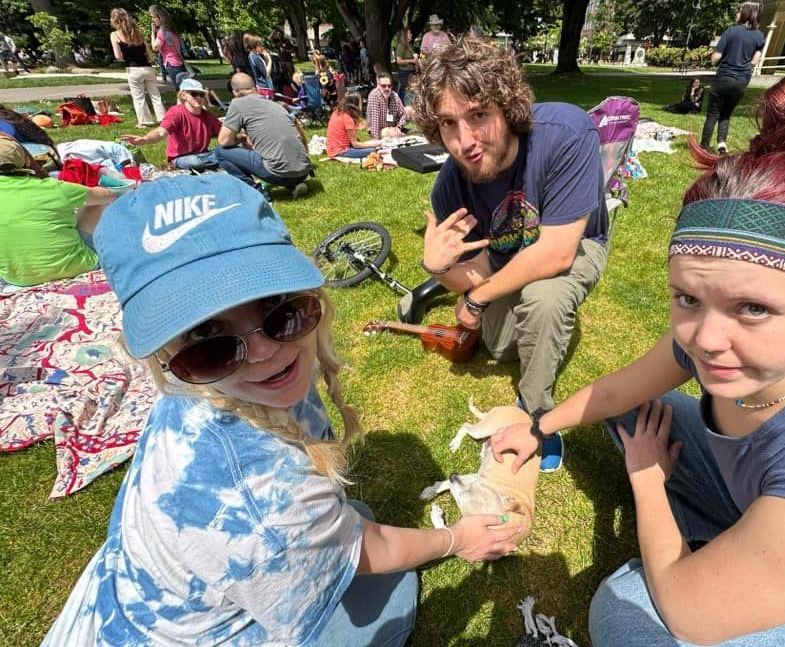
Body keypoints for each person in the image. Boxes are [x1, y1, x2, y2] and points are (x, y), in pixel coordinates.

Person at [488, 73, 785, 647]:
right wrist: (537, 426)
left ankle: (726, 554)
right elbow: (618, 391)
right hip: (769, 508)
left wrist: (648, 479)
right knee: (635, 412)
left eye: (753, 307)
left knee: (625, 613)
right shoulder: (723, 345)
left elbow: (687, 614)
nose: (706, 338)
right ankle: (740, 549)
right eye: (688, 297)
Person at [40, 173, 520, 645]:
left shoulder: (200, 386)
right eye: (207, 337)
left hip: (139, 602)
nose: (265, 352)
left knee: (354, 519)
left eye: (277, 306)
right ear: (164, 353)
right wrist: (457, 539)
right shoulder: (267, 503)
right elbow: (368, 546)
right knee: (389, 602)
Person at [414, 36, 609, 473]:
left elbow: (557, 252)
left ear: (508, 107)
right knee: (501, 349)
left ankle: (537, 416)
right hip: (507, 260)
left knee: (544, 300)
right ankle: (531, 335)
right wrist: (440, 266)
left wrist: (476, 300)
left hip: (576, 243)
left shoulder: (566, 134)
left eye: (478, 116)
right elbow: (478, 272)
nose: (465, 141)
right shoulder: (450, 187)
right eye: (448, 124)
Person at [0, 136, 114, 287]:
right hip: (77, 266)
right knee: (94, 203)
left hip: (19, 279)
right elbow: (107, 196)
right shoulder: (52, 187)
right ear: (24, 159)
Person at [215, 72, 312, 198]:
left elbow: (224, 141)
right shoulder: (275, 104)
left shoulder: (237, 104)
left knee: (220, 152)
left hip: (278, 173)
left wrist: (242, 137)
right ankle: (294, 185)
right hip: (303, 171)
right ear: (255, 87)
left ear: (235, 92)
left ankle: (257, 193)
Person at [700, 1, 765, 153]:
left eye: (739, 11)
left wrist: (714, 56)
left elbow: (716, 57)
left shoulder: (731, 31)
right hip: (742, 80)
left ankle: (704, 145)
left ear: (746, 13)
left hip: (724, 77)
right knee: (726, 114)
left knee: (713, 114)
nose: (737, 13)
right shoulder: (760, 36)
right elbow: (755, 62)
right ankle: (722, 145)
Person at [120, 78, 224, 172]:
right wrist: (145, 139)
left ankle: (211, 165)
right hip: (181, 157)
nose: (198, 97)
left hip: (204, 154)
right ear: (183, 95)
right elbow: (161, 132)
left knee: (230, 153)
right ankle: (212, 165)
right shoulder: (176, 112)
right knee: (195, 163)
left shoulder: (208, 116)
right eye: (194, 94)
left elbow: (224, 133)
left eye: (201, 95)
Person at [109, 8, 165, 128]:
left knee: (139, 97)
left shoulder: (115, 35)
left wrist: (126, 57)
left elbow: (118, 55)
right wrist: (149, 60)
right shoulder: (137, 32)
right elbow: (149, 53)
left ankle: (144, 121)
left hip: (133, 68)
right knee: (155, 95)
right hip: (147, 67)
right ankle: (163, 118)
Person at [326, 93, 381, 160]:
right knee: (374, 150)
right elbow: (355, 144)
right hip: (340, 151)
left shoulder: (336, 112)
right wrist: (376, 144)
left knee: (373, 146)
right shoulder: (348, 118)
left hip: (332, 149)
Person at [149, 5, 187, 89]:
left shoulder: (162, 31)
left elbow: (155, 47)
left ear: (160, 17)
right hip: (179, 62)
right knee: (184, 89)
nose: (152, 20)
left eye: (154, 17)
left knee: (181, 92)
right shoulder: (171, 29)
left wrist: (152, 33)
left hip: (172, 64)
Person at [366, 73, 408, 140]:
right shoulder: (374, 96)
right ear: (378, 86)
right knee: (390, 134)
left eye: (389, 86)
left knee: (410, 109)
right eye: (383, 86)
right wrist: (376, 141)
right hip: (379, 129)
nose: (387, 88)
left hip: (392, 127)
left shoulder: (394, 96)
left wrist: (399, 127)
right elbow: (374, 122)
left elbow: (403, 114)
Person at [244, 34, 274, 98]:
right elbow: (266, 73)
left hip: (265, 86)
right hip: (264, 87)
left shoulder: (255, 55)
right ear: (255, 46)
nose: (262, 47)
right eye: (260, 45)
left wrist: (266, 59)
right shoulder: (254, 57)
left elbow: (264, 68)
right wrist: (269, 59)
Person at [395, 27, 418, 103]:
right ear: (405, 35)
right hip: (404, 72)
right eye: (409, 33)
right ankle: (399, 106)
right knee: (403, 90)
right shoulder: (401, 46)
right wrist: (412, 60)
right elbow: (399, 61)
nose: (411, 34)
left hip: (411, 71)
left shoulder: (410, 46)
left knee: (410, 90)